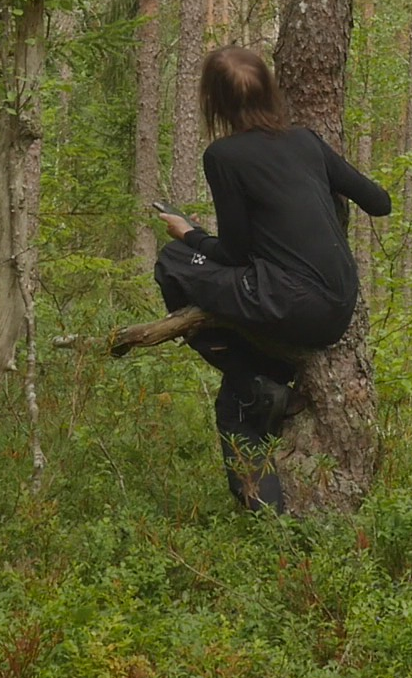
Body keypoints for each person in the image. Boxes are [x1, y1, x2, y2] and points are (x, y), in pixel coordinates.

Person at [152, 46, 391, 510]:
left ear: (214, 102)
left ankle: (254, 379)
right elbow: (380, 202)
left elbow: (233, 253)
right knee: (236, 393)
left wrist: (190, 234)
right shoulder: (306, 141)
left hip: (292, 302)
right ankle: (263, 376)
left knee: (174, 261)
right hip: (339, 304)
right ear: (269, 91)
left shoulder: (224, 155)